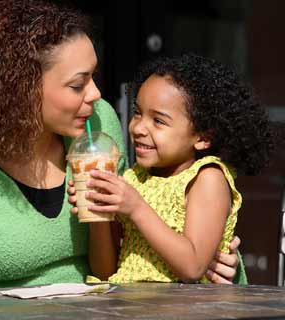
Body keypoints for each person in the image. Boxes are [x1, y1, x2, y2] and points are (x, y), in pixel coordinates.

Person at [0, 0, 242, 314]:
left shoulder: (98, 125)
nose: (95, 94)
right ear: (22, 89)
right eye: (78, 84)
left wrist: (212, 256)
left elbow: (132, 232)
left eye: (94, 77)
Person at [68, 54, 273, 284]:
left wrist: (136, 207)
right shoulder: (133, 179)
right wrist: (98, 216)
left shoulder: (206, 178)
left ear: (203, 137)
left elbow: (193, 266)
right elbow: (105, 272)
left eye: (159, 121)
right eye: (138, 112)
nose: (138, 128)